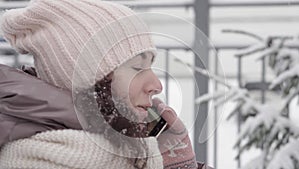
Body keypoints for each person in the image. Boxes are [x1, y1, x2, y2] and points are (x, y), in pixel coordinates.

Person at [0, 0, 212, 168]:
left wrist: (178, 165)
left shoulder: (115, 152)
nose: (156, 85)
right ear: (84, 77)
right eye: (137, 68)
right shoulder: (38, 160)